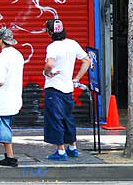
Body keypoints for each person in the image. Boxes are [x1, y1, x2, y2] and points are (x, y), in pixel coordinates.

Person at [42, 19, 91, 161]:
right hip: (68, 88)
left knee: (55, 118)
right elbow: (87, 60)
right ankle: (73, 148)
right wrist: (77, 78)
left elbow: (50, 64)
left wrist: (46, 72)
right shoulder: (73, 44)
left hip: (54, 88)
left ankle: (61, 151)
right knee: (68, 118)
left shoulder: (53, 47)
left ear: (50, 32)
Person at [0, 28, 24, 167]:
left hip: (3, 99)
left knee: (3, 126)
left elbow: (0, 81)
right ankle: (9, 156)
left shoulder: (1, 57)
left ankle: (10, 157)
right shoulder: (18, 55)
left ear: (2, 40)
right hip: (15, 96)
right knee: (6, 125)